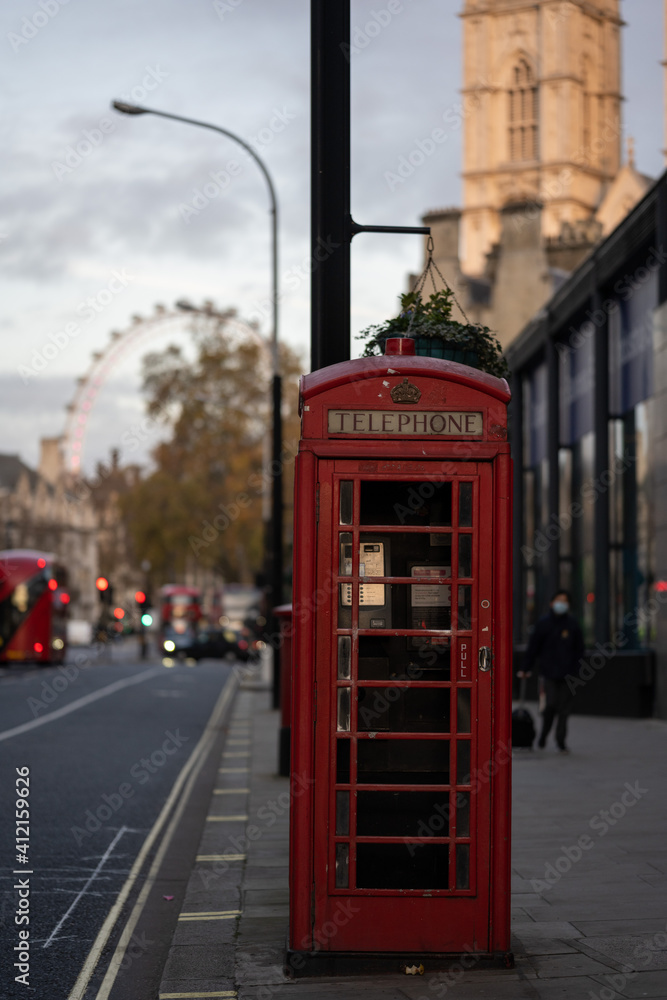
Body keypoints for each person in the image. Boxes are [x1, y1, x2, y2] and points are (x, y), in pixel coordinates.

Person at [523, 590, 584, 752]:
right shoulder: (543, 624)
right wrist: (525, 668)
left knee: (564, 709)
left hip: (569, 673)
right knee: (550, 705)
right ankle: (543, 735)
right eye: (558, 600)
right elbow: (533, 648)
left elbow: (579, 649)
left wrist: (577, 669)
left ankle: (561, 741)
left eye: (565, 601)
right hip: (548, 673)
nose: (561, 604)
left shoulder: (572, 624)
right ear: (551, 603)